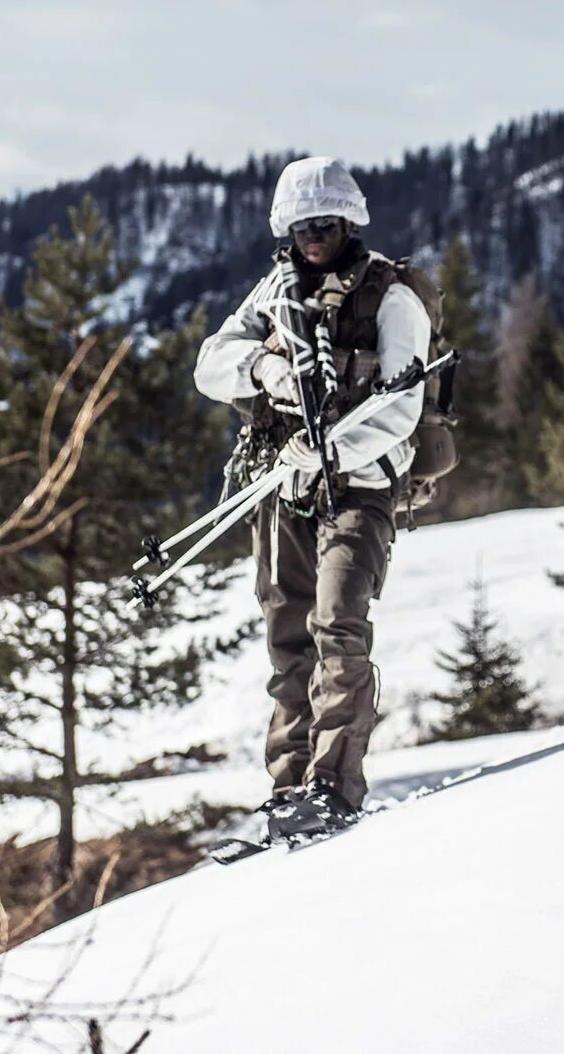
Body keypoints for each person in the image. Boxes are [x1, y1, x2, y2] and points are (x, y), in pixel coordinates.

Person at [194, 156, 430, 842]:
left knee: (337, 625)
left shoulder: (391, 296)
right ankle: (288, 782)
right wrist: (263, 364)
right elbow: (211, 362)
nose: (314, 238)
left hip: (361, 486)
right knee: (287, 633)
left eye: (325, 223)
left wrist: (327, 451)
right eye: (302, 227)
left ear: (349, 220)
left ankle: (333, 783)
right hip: (286, 488)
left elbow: (401, 407)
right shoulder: (276, 291)